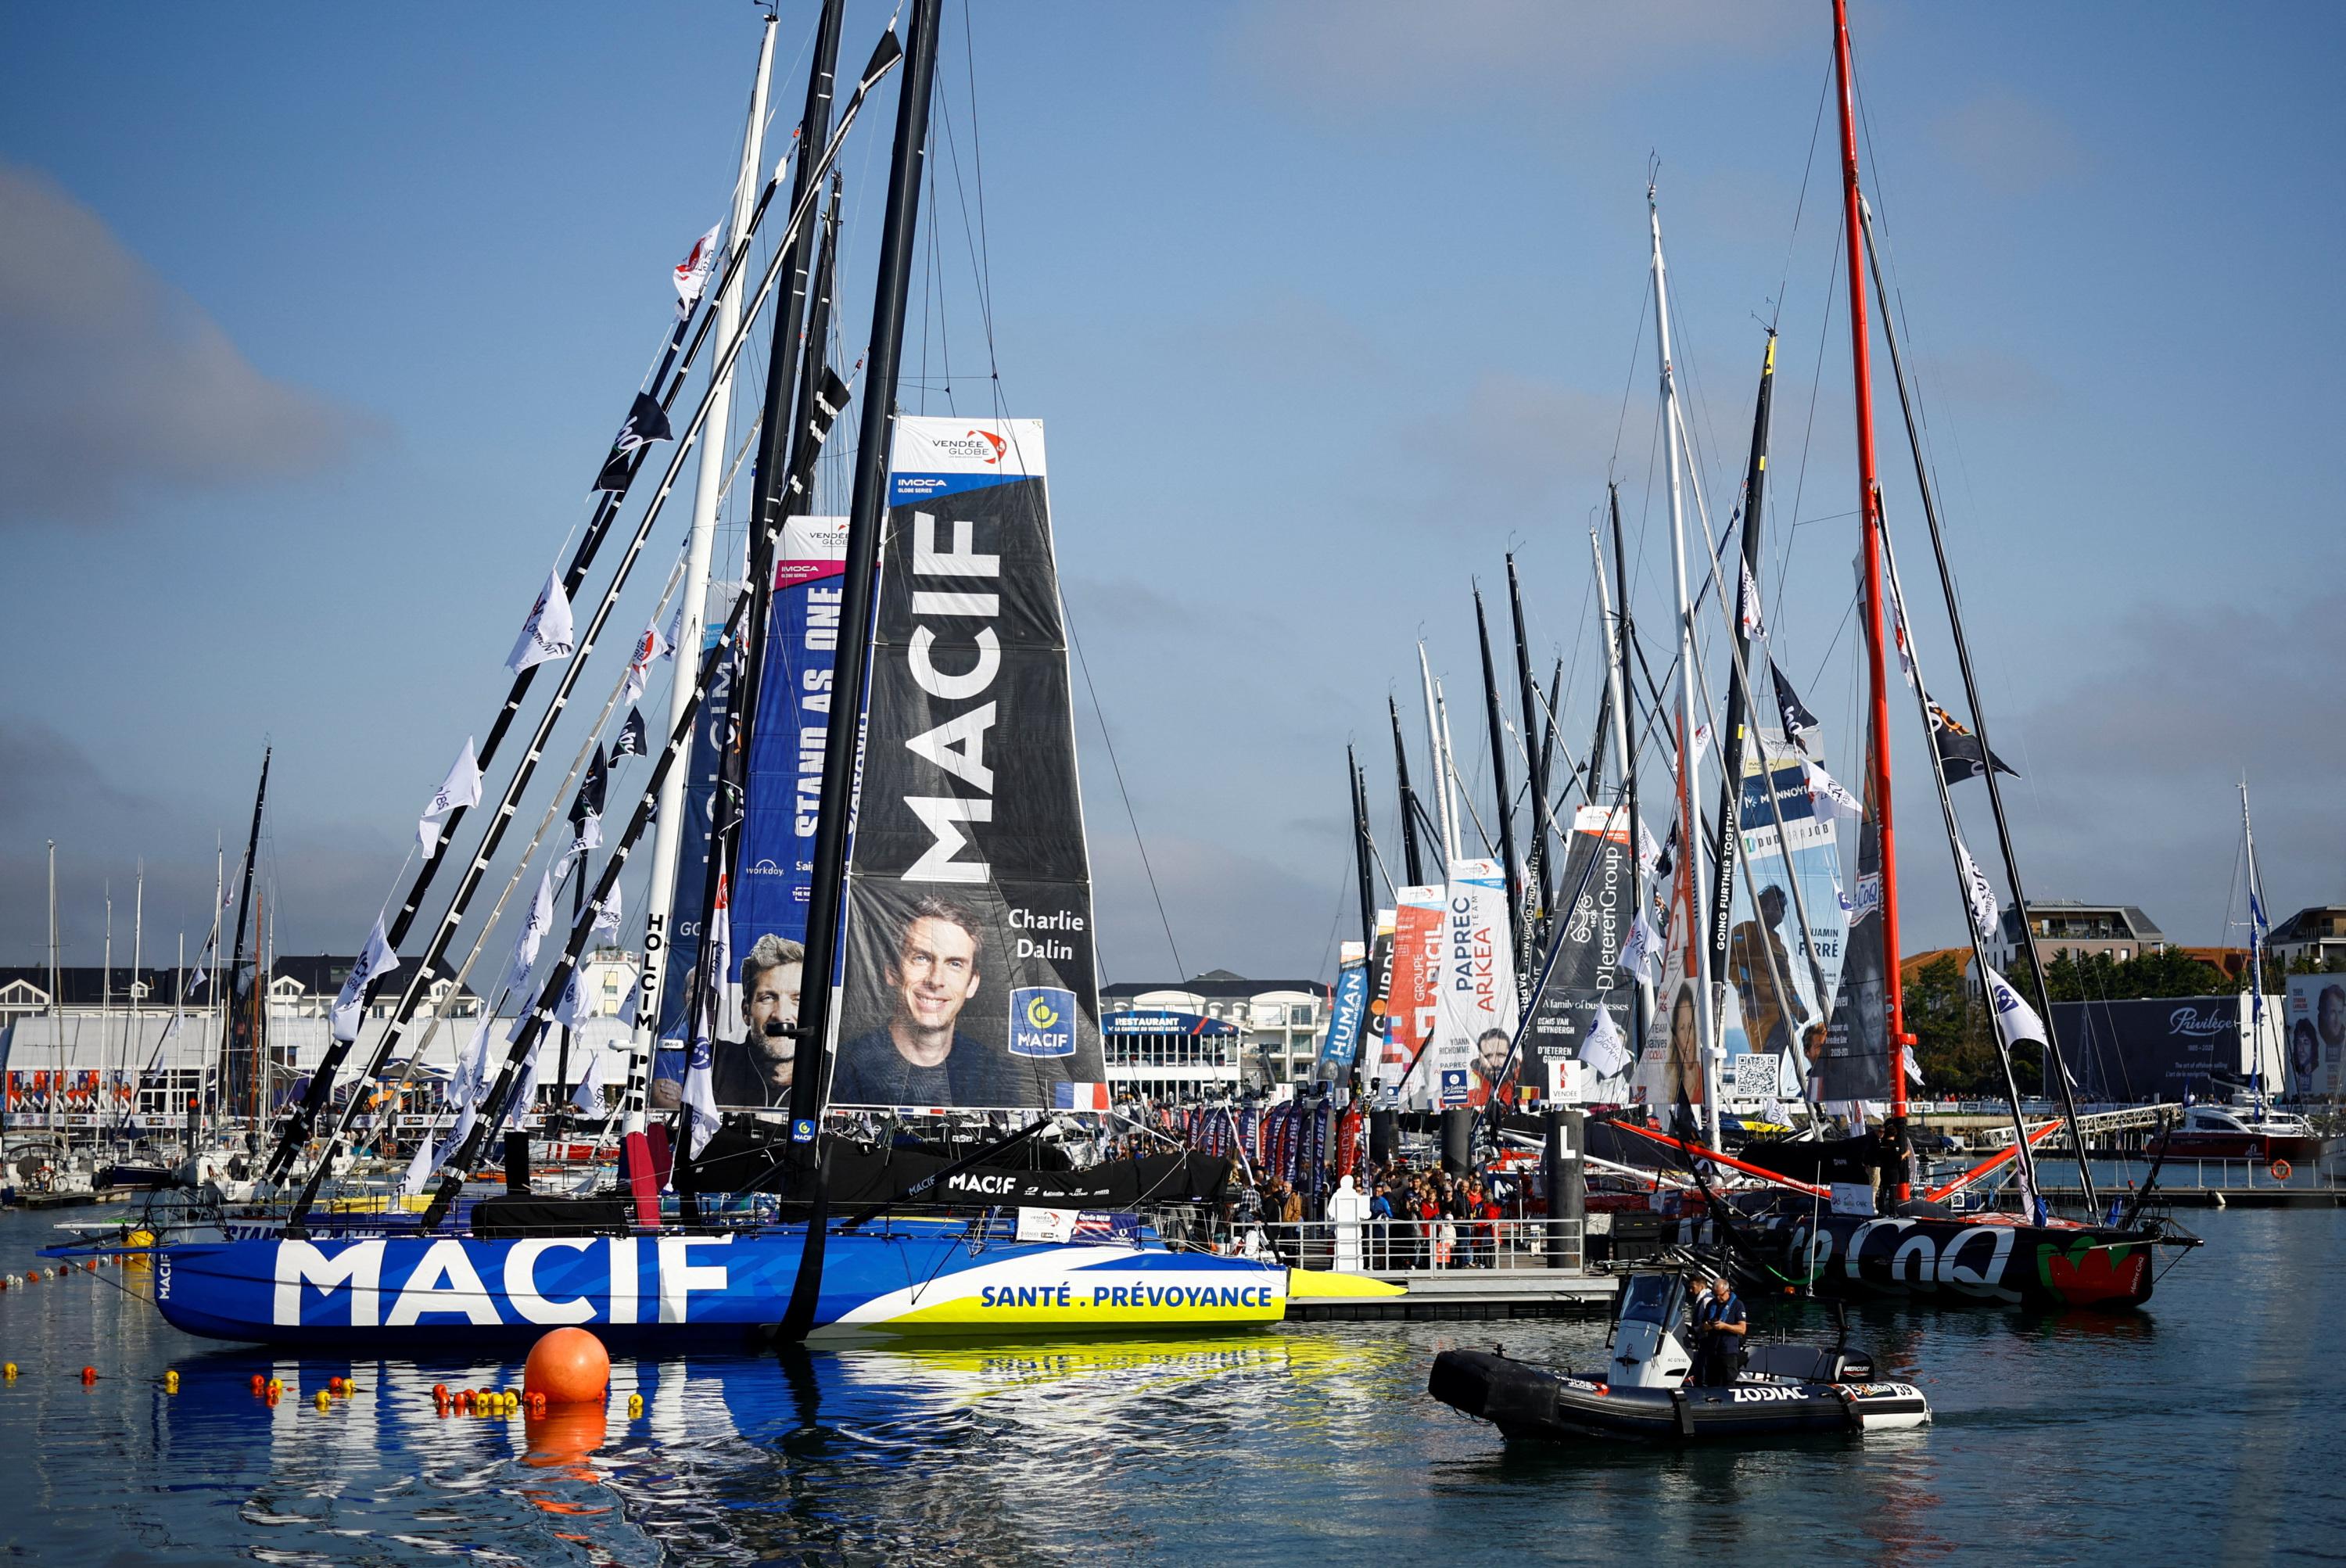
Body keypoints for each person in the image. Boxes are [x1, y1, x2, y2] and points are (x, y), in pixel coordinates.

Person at [831, 898, 993, 1107]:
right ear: (892, 971)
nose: (935, 980)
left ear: (972, 983)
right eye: (921, 958)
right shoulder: (846, 1067)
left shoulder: (995, 1073)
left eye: (955, 964)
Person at [710, 935, 802, 1108]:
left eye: (797, 999)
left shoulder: (841, 1074)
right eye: (767, 998)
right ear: (746, 1011)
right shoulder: (713, 1062)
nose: (781, 1016)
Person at [1728, 885, 1796, 1058]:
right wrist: (1748, 994)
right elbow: (1733, 962)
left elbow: (1788, 984)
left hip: (1785, 1017)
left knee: (1794, 1060)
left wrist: (1803, 1014)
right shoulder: (1747, 930)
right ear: (1762, 908)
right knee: (1772, 1061)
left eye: (1782, 908)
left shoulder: (1779, 945)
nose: (1780, 912)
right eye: (1775, 907)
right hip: (1762, 1018)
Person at [1691, 1273, 1747, 1387]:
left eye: (1720, 1295)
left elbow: (1742, 1329)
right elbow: (1703, 1325)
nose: (1718, 1298)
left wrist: (1724, 1326)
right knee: (1712, 1382)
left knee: (1728, 1382)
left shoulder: (1737, 1305)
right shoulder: (1712, 1304)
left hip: (1728, 1351)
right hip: (1712, 1351)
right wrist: (1706, 1326)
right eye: (1715, 1295)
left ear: (1728, 1291)